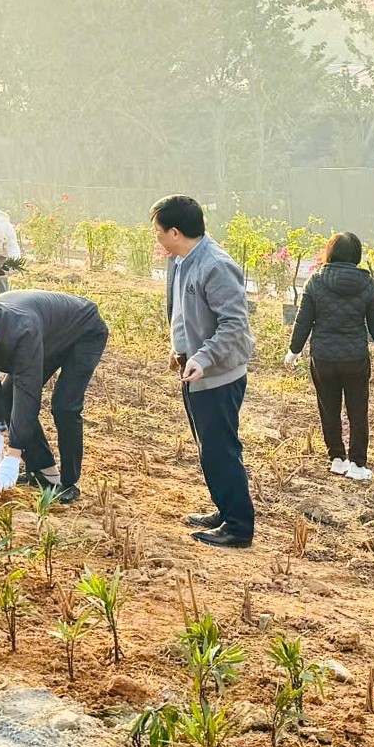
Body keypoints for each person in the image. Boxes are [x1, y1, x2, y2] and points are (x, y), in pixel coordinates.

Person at [156, 195, 257, 550]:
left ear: (174, 231)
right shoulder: (181, 261)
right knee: (208, 448)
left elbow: (233, 324)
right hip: (195, 368)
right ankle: (224, 509)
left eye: (158, 231)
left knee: (221, 448)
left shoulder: (215, 265)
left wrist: (203, 356)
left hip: (217, 373)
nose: (157, 239)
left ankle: (239, 526)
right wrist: (182, 352)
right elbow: (186, 314)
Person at [0, 292, 107, 504]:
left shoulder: (21, 329)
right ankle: (43, 471)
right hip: (48, 335)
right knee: (7, 398)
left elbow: (27, 391)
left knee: (65, 406)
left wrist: (13, 453)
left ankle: (70, 482)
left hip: (84, 331)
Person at [286, 231, 374, 482]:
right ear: (356, 256)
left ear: (331, 252)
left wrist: (293, 352)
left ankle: (337, 459)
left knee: (329, 408)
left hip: (323, 358)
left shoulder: (315, 281)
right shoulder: (367, 285)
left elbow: (303, 322)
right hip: (355, 359)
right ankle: (358, 464)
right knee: (358, 411)